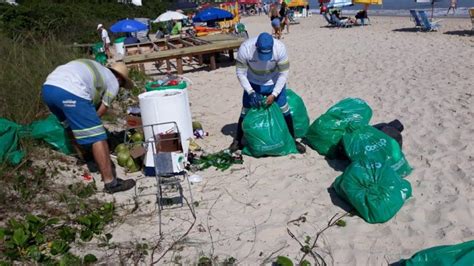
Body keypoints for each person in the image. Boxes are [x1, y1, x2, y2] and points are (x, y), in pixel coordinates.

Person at [41, 59, 136, 194]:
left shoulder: (97, 68)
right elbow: (102, 109)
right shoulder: (114, 82)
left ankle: (89, 159)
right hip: (71, 90)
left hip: (49, 89)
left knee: (70, 127)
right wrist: (91, 122)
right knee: (98, 136)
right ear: (120, 79)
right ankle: (111, 183)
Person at [229, 32, 306, 154]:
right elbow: (240, 73)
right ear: (256, 46)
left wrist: (274, 94)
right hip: (253, 82)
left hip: (274, 81)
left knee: (284, 109)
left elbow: (284, 73)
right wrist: (251, 92)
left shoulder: (280, 48)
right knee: (246, 110)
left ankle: (292, 140)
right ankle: (238, 140)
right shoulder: (245, 49)